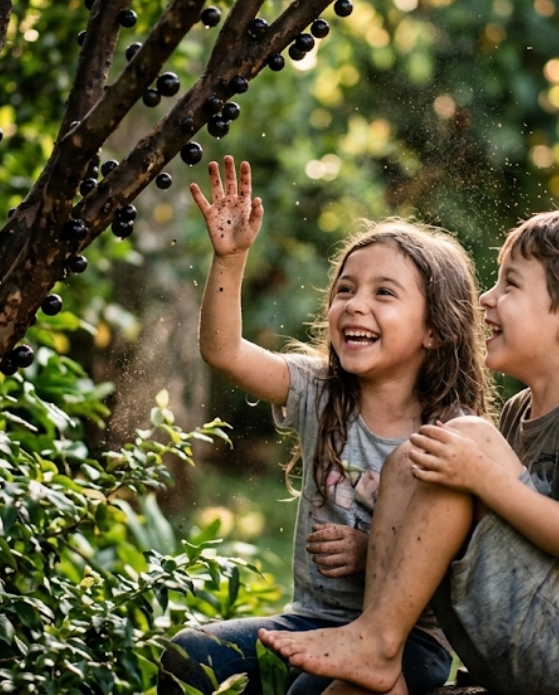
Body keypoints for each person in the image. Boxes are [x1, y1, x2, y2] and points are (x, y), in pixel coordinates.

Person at [259, 210, 559, 695]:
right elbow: (459, 522)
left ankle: (378, 642)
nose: (486, 299)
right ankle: (379, 645)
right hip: (517, 629)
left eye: (510, 285)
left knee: (463, 441)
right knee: (420, 457)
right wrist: (381, 544)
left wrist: (484, 476)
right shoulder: (520, 411)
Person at [158, 156, 492, 695]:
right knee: (189, 656)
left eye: (384, 293)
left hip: (407, 643)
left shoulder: (454, 434)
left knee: (310, 692)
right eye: (345, 290)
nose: (356, 305)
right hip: (308, 623)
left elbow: (467, 568)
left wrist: (371, 554)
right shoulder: (319, 391)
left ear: (435, 328)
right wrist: (230, 259)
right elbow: (223, 352)